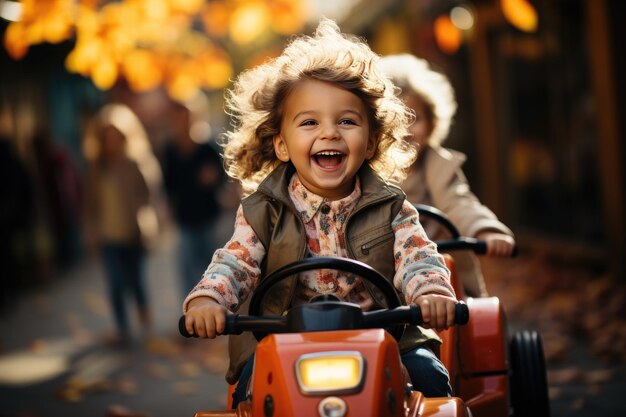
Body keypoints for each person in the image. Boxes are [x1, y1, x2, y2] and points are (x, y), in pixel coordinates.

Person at [182, 18, 458, 405]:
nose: (329, 133)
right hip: (283, 340)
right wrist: (208, 300)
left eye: (346, 121)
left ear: (372, 140)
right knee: (249, 393)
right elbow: (236, 262)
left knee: (431, 380)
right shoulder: (263, 211)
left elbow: (417, 254)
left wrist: (429, 290)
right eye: (309, 122)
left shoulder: (392, 206)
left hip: (384, 336)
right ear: (281, 145)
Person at [377, 54, 516, 298]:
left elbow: (459, 201)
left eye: (414, 119)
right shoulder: (370, 171)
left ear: (432, 123)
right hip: (387, 269)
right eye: (394, 121)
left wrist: (484, 229)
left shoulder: (439, 166)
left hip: (442, 265)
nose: (405, 131)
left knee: (478, 318)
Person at [83, 103, 159, 346]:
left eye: (116, 138)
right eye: (107, 139)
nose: (112, 144)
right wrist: (91, 229)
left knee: (135, 280)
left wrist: (145, 219)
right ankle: (122, 329)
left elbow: (147, 195)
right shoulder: (97, 168)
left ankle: (143, 310)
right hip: (108, 236)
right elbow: (91, 203)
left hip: (133, 234)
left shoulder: (134, 164)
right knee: (115, 283)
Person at [161, 98, 226, 296]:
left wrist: (214, 178)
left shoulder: (207, 149)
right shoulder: (170, 152)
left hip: (208, 217)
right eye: (178, 119)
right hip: (184, 220)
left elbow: (222, 178)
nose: (182, 123)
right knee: (187, 270)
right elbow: (167, 186)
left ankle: (214, 303)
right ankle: (191, 312)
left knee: (212, 268)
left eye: (186, 118)